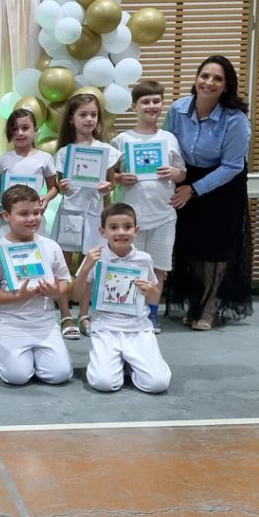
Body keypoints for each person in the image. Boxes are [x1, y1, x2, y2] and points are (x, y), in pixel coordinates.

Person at [164, 55, 253, 330]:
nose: (209, 82)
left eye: (217, 79)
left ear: (226, 86)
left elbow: (233, 166)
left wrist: (194, 189)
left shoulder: (236, 120)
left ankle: (210, 307)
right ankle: (197, 302)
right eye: (205, 76)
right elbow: (165, 145)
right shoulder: (177, 109)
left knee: (215, 249)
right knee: (189, 243)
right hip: (186, 177)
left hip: (222, 185)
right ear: (196, 79)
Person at [70, 203, 172, 393]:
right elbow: (75, 295)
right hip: (106, 328)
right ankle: (115, 362)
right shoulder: (95, 257)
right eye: (113, 227)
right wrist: (85, 269)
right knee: (103, 383)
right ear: (102, 231)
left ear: (136, 230)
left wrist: (150, 290)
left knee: (157, 384)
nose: (121, 232)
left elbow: (154, 296)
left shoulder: (144, 259)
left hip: (138, 328)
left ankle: (132, 364)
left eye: (127, 227)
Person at [0, 185, 72, 386]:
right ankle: (19, 359)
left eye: (36, 212)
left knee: (60, 375)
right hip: (8, 323)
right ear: (6, 216)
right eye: (23, 214)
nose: (32, 218)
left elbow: (66, 282)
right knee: (17, 377)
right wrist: (16, 297)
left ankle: (36, 359)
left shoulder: (51, 246)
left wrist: (57, 291)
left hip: (44, 322)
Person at [111, 81, 187, 333]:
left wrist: (174, 172)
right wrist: (120, 178)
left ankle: (152, 314)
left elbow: (182, 173)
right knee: (128, 268)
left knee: (158, 270)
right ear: (134, 106)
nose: (151, 106)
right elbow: (108, 177)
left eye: (156, 101)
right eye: (145, 101)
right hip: (129, 219)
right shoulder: (122, 140)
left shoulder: (169, 138)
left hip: (163, 216)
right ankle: (128, 313)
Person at [52, 93, 120, 340]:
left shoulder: (107, 151)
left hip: (93, 215)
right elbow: (59, 185)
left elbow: (112, 182)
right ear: (71, 119)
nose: (89, 119)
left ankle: (83, 314)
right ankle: (65, 315)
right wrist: (62, 187)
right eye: (83, 114)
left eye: (93, 114)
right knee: (62, 266)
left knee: (90, 266)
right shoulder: (64, 152)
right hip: (69, 214)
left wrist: (107, 187)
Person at [0, 108, 57, 241]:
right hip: (8, 219)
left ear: (35, 129)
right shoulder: (4, 158)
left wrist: (47, 198)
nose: (20, 133)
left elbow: (53, 187)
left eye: (25, 128)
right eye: (15, 129)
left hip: (32, 217)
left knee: (35, 250)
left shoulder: (45, 158)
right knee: (6, 250)